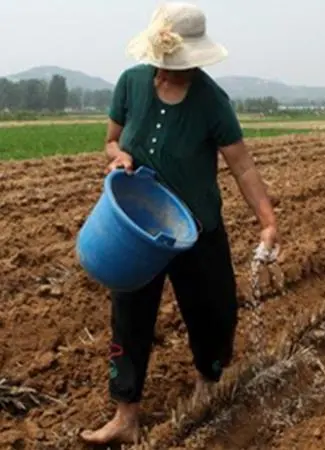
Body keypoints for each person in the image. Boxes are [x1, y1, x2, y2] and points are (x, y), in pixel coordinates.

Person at [80, 2, 279, 445]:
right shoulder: (131, 84)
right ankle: (125, 415)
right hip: (137, 228)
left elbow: (242, 166)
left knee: (213, 313)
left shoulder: (212, 101)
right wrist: (120, 157)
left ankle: (208, 387)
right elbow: (110, 141)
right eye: (166, 64)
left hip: (198, 229)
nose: (170, 73)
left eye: (180, 65)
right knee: (129, 317)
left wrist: (268, 222)